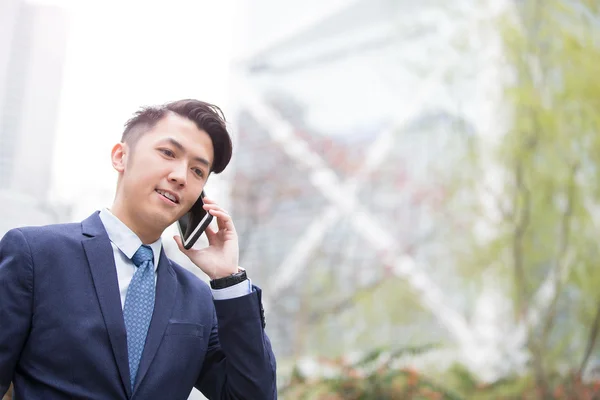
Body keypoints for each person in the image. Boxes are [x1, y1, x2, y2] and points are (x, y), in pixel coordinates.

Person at [0, 99, 277, 399]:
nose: (181, 176)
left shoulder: (198, 300)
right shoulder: (35, 255)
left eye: (198, 171)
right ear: (121, 156)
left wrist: (229, 281)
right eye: (168, 153)